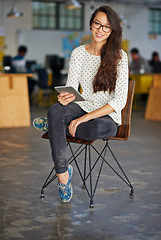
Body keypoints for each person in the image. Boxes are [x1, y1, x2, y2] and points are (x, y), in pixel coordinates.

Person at [33, 5, 129, 203]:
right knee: (55, 110)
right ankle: (63, 176)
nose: (101, 30)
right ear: (91, 24)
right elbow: (71, 88)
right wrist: (66, 97)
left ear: (112, 31)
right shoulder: (78, 53)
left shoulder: (119, 56)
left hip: (107, 116)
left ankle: (55, 127)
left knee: (92, 129)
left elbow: (119, 100)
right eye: (97, 24)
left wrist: (84, 118)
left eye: (107, 27)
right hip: (83, 105)